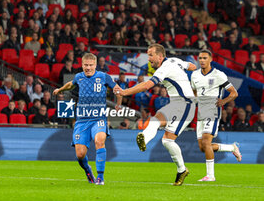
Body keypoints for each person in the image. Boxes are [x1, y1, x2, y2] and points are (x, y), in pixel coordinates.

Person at [116, 44, 197, 186]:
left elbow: (147, 85)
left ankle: (182, 169)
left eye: (151, 55)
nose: (149, 59)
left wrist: (125, 92)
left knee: (167, 141)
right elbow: (191, 66)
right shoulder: (174, 61)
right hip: (176, 104)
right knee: (154, 121)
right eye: (148, 55)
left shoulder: (165, 67)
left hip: (186, 104)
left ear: (160, 56)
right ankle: (144, 139)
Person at [53, 53, 122, 185]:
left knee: (99, 141)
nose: (88, 67)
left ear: (95, 65)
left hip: (98, 118)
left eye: (91, 65)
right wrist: (60, 89)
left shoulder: (103, 77)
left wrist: (118, 104)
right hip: (82, 120)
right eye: (86, 65)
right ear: (82, 65)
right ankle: (88, 170)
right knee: (80, 154)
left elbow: (118, 89)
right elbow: (70, 85)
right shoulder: (79, 77)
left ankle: (100, 177)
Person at [191, 49, 241, 182]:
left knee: (207, 142)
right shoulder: (194, 75)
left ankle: (210, 176)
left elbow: (233, 93)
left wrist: (223, 101)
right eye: (200, 58)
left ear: (211, 59)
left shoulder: (219, 75)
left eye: (205, 58)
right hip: (200, 112)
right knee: (203, 147)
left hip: (212, 111)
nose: (202, 60)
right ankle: (231, 147)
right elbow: (194, 92)